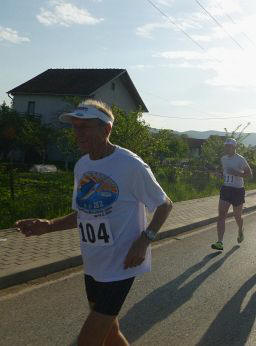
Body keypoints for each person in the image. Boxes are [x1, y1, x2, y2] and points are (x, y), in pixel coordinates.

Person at [15, 100, 173, 346]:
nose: (77, 133)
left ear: (106, 130)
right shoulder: (83, 165)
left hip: (122, 264)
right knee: (109, 334)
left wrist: (144, 240)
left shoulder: (131, 165)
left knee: (88, 340)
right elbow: (84, 213)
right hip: (94, 263)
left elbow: (165, 204)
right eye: (75, 127)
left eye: (85, 127)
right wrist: (48, 225)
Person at [211, 138, 252, 251]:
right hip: (226, 188)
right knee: (221, 215)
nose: (227, 148)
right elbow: (224, 172)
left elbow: (249, 173)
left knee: (237, 216)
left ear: (234, 147)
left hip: (238, 190)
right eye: (226, 146)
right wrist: (220, 175)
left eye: (229, 146)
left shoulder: (240, 159)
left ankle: (240, 230)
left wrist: (236, 173)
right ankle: (220, 242)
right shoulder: (223, 159)